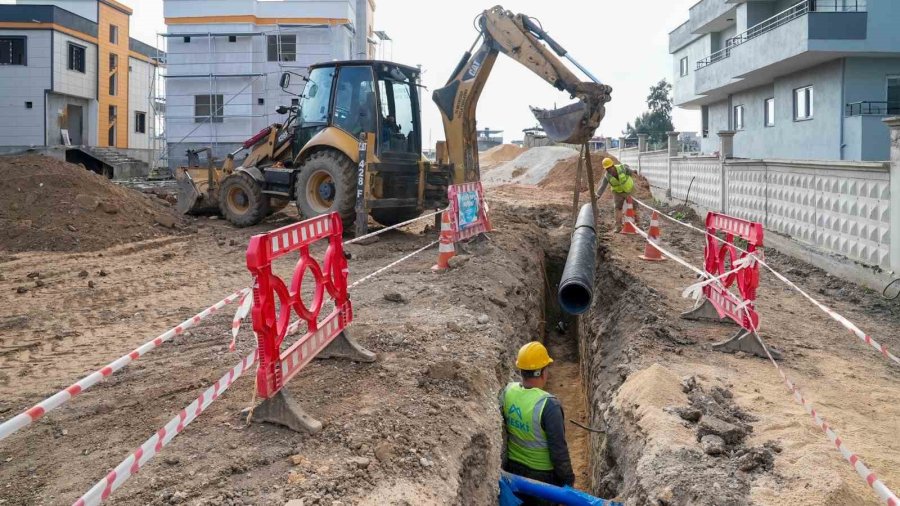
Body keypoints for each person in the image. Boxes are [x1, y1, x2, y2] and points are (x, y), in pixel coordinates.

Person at [500, 342, 575, 505]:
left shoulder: (507, 392)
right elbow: (559, 452)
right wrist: (568, 483)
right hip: (543, 480)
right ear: (542, 372)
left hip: (513, 472)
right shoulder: (548, 405)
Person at [596, 157, 640, 231]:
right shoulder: (607, 176)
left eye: (609, 168)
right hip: (618, 192)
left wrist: (633, 171)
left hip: (629, 189)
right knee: (617, 208)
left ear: (613, 165)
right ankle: (618, 227)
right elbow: (603, 186)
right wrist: (598, 195)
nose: (609, 170)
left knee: (634, 206)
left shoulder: (622, 168)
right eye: (607, 169)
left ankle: (638, 224)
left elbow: (631, 172)